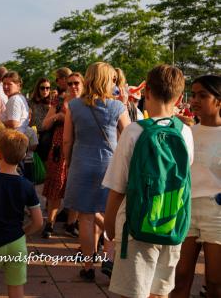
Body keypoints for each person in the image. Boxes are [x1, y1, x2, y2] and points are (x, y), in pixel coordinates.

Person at [103, 64, 194, 298]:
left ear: (147, 93)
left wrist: (109, 227)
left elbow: (118, 186)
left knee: (133, 293)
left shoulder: (134, 131)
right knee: (160, 293)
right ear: (180, 97)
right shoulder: (185, 132)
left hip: (136, 226)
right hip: (171, 222)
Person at [63, 62, 130, 281]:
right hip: (109, 166)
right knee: (110, 213)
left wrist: (70, 161)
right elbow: (130, 136)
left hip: (81, 163)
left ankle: (88, 265)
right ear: (107, 80)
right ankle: (109, 258)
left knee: (86, 217)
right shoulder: (117, 107)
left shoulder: (73, 106)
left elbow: (67, 140)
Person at [0, 129, 43, 298]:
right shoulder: (27, 185)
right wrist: (22, 233)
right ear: (23, 156)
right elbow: (38, 222)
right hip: (17, 242)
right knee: (16, 288)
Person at [171, 75, 221, 298]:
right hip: (186, 209)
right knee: (179, 277)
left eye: (203, 95)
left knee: (215, 281)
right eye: (193, 94)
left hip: (217, 214)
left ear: (219, 101)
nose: (195, 100)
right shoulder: (185, 132)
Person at [41, 72, 83, 239]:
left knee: (77, 188)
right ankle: (49, 223)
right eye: (70, 83)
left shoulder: (86, 103)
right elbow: (44, 124)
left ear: (83, 85)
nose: (73, 86)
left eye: (76, 83)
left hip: (78, 148)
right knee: (55, 188)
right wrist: (58, 116)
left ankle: (71, 223)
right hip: (59, 149)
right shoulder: (59, 101)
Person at [29, 77, 53, 162]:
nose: (45, 90)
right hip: (34, 133)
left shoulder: (52, 102)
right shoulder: (31, 102)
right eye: (42, 88)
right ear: (38, 89)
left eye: (47, 88)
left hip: (47, 134)